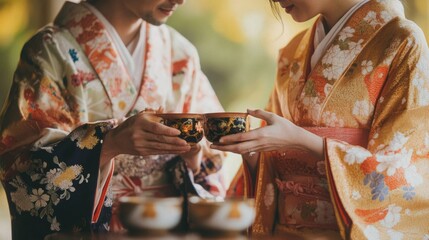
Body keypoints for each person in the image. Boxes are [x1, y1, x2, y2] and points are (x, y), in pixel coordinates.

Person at [0, 0, 225, 238]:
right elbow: (22, 170)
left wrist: (192, 159)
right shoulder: (51, 51)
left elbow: (212, 162)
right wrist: (109, 144)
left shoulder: (179, 54)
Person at [214, 0, 429, 239]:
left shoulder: (401, 41)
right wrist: (252, 151)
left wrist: (301, 140)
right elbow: (273, 156)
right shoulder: (292, 51)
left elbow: (402, 171)